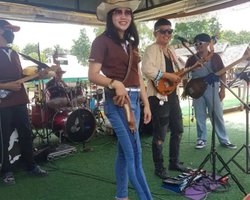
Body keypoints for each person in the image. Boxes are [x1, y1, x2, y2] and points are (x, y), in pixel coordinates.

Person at [88, 0, 153, 199]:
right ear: (111, 16)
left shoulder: (132, 44)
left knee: (125, 154)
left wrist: (147, 103)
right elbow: (93, 74)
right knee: (135, 155)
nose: (124, 16)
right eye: (118, 12)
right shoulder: (101, 41)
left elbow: (139, 76)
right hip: (118, 103)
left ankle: (121, 196)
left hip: (135, 100)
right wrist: (114, 83)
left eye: (127, 12)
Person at [141, 18, 191, 180]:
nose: (167, 34)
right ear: (155, 33)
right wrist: (166, 75)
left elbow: (176, 74)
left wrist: (184, 74)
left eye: (170, 31)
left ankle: (174, 162)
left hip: (172, 96)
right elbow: (147, 69)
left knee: (178, 130)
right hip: (157, 97)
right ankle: (159, 167)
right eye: (163, 31)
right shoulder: (152, 49)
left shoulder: (171, 52)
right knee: (160, 134)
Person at [0, 20, 48, 186]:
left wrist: (38, 75)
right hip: (2, 102)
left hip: (20, 99)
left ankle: (31, 165)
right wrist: (6, 85)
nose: (11, 34)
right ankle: (6, 171)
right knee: (3, 138)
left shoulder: (14, 53)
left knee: (26, 134)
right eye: (8, 30)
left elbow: (20, 76)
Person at [184, 33, 237, 150]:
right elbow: (184, 75)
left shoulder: (216, 57)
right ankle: (201, 139)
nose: (198, 46)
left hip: (212, 88)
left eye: (200, 43)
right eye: (196, 44)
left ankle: (224, 139)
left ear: (208, 44)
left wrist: (222, 91)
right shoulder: (191, 59)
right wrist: (186, 91)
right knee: (200, 114)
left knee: (217, 114)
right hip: (196, 89)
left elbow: (223, 73)